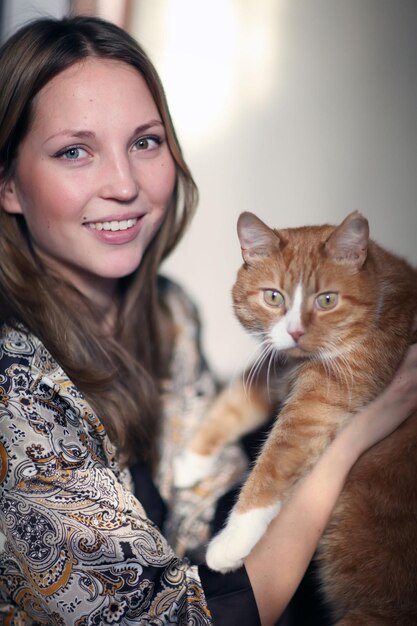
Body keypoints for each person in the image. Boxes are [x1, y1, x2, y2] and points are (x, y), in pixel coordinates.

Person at [0, 15, 416, 626]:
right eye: (74, 151)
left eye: (145, 142)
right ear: (8, 184)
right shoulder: (13, 382)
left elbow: (204, 521)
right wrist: (355, 435)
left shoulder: (169, 312)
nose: (124, 184)